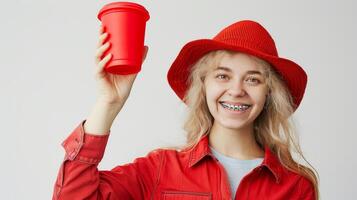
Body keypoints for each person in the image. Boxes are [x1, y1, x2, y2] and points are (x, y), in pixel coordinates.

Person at [52, 20, 319, 200]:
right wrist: (108, 104)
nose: (237, 90)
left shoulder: (296, 186)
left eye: (253, 79)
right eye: (223, 76)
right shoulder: (160, 169)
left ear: (269, 93)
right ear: (202, 86)